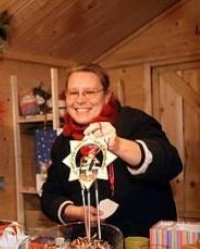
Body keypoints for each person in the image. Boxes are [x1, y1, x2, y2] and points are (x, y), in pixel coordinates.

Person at [40, 63, 183, 237]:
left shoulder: (133, 121)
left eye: (90, 92)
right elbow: (49, 195)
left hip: (143, 246)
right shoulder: (63, 142)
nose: (80, 99)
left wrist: (118, 145)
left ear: (107, 96)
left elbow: (170, 162)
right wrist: (73, 211)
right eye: (73, 92)